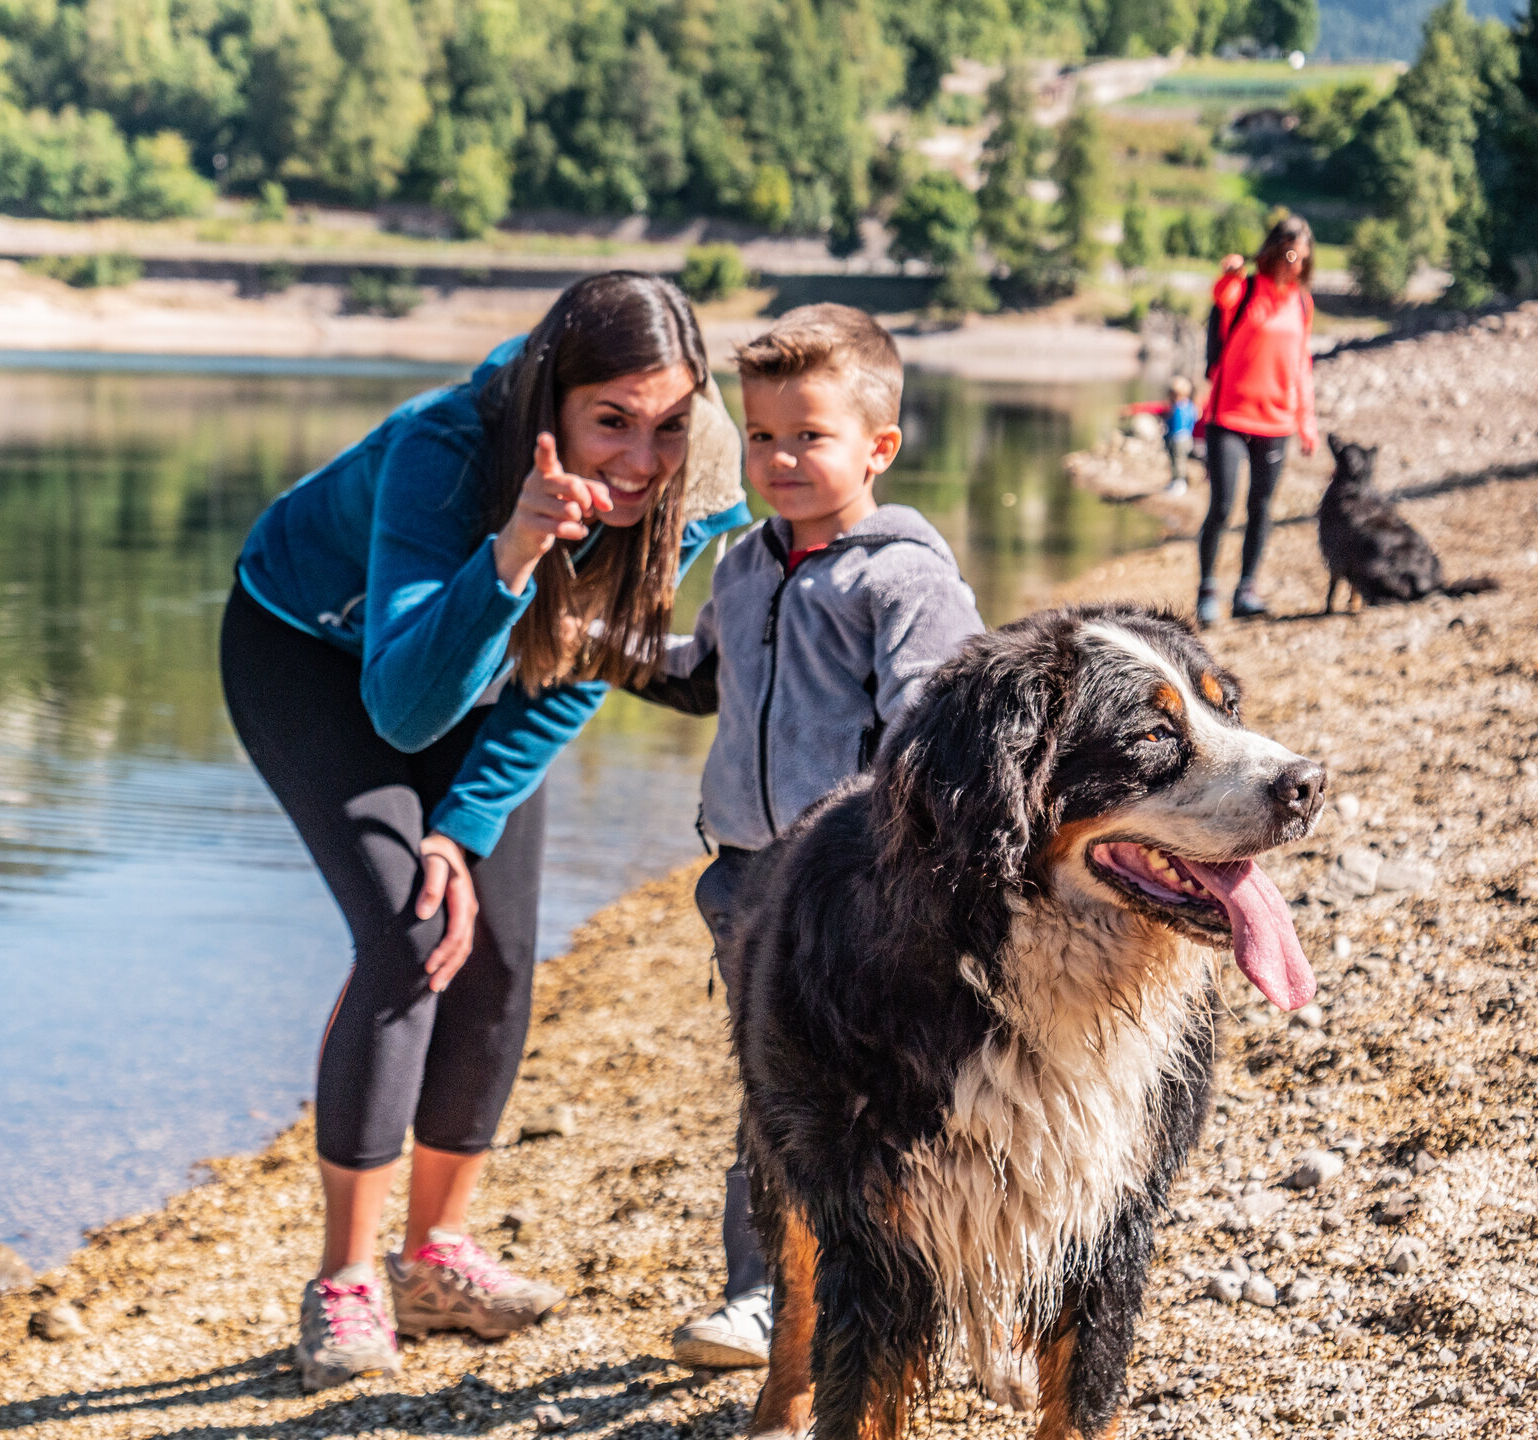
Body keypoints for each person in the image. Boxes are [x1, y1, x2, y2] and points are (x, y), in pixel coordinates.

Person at [221, 272, 749, 1391]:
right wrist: (511, 550)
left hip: (507, 659)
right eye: (611, 422)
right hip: (313, 657)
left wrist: (462, 826)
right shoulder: (447, 449)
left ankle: (434, 1257)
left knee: (500, 957)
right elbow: (404, 706)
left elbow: (583, 662)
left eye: (667, 425)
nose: (641, 460)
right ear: (548, 402)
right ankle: (346, 1279)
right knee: (411, 938)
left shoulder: (700, 475)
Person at [632, 304, 984, 1369]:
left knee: (896, 1103)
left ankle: (938, 1292)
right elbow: (699, 678)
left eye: (811, 436)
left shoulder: (903, 579)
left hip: (861, 894)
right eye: (763, 436)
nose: (781, 458)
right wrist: (586, 636)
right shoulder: (742, 568)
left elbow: (937, 724)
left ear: (878, 447)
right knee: (772, 1100)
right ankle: (764, 1299)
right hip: (745, 884)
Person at [1196, 214, 1318, 626]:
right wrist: (1231, 272)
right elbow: (1222, 296)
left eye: (1301, 258)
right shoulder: (1246, 289)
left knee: (1261, 507)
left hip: (1276, 422)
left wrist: (1307, 422)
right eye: (1287, 253)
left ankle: (1247, 589)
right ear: (1272, 250)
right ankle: (1207, 590)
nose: (1293, 264)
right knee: (1223, 505)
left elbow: (1301, 364)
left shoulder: (1302, 302)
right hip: (1229, 415)